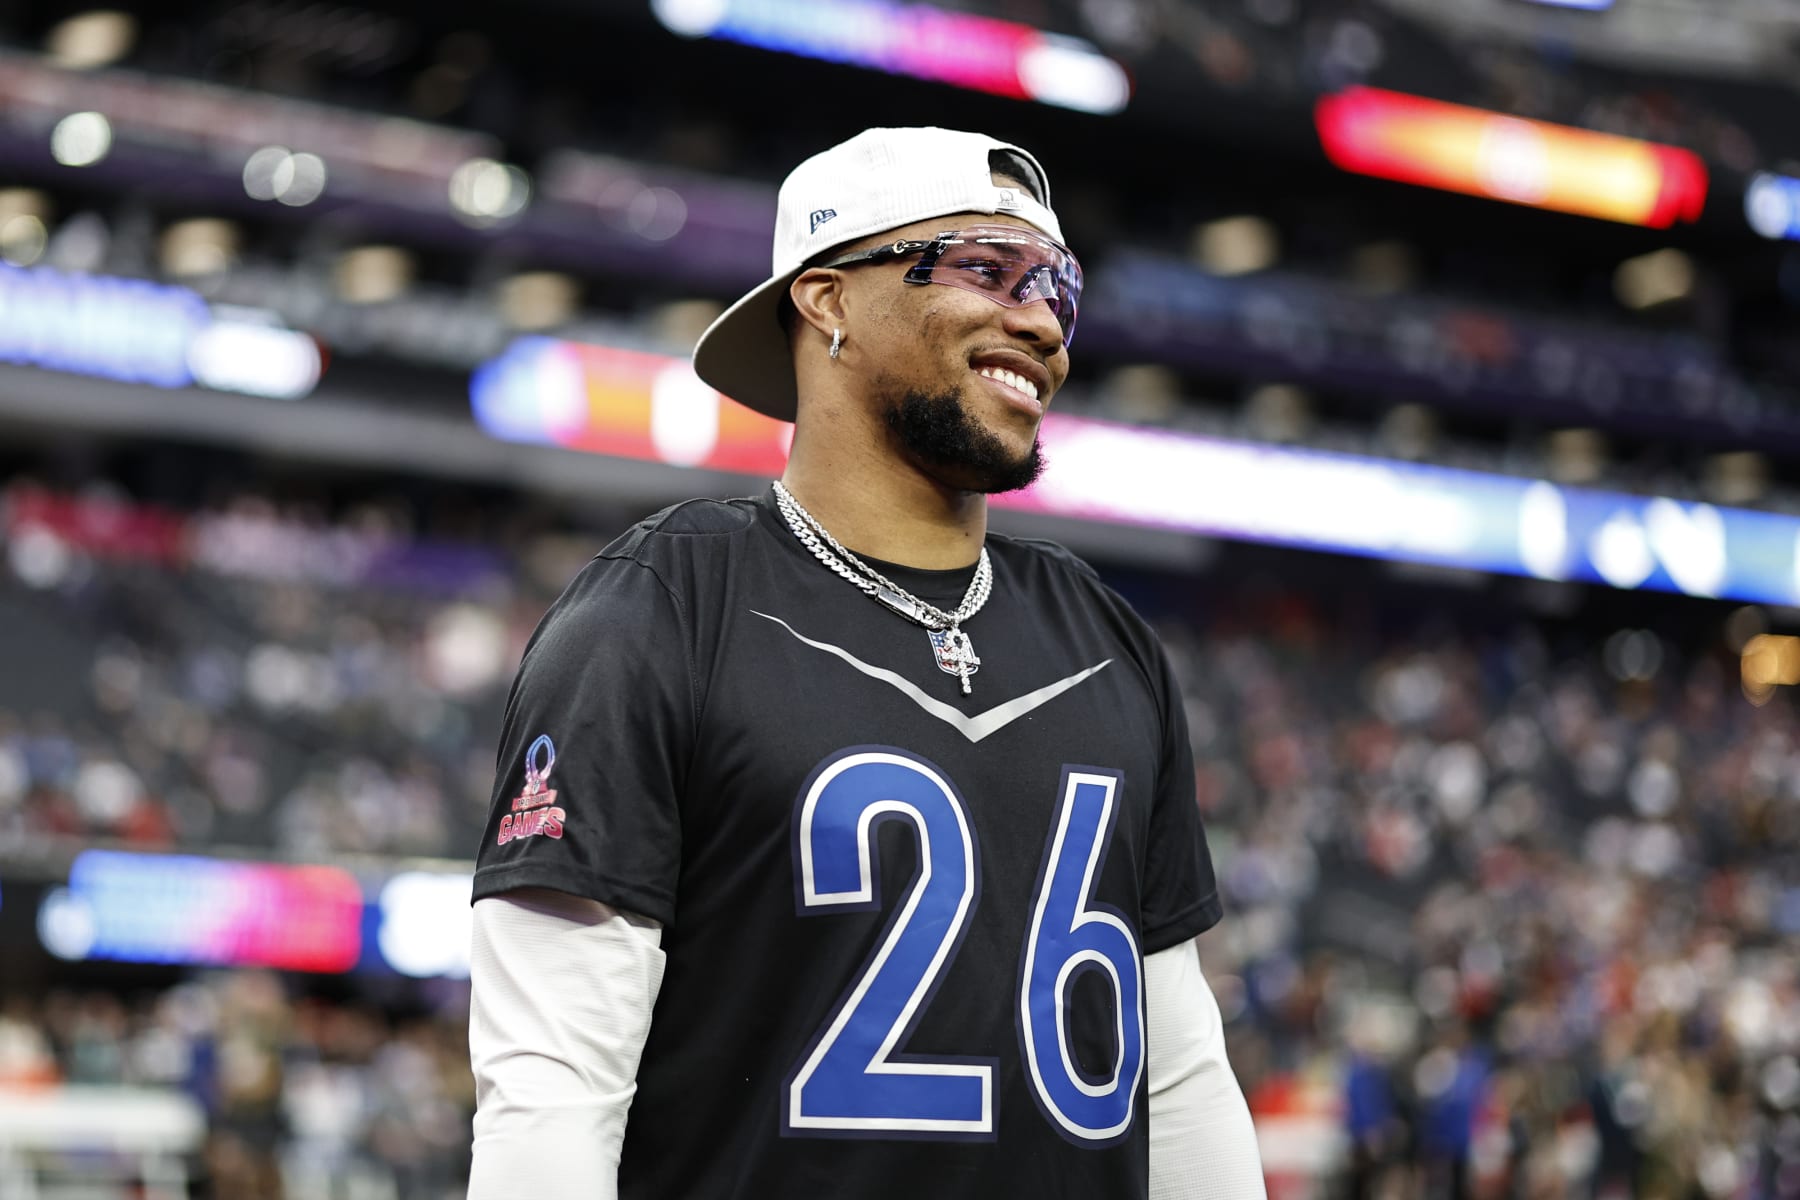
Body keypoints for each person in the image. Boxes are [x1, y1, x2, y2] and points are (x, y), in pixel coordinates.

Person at [465, 126, 1265, 1199]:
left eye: (1058, 289)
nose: (1040, 321)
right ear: (829, 300)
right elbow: (552, 1087)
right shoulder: (664, 607)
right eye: (986, 266)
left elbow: (1180, 1079)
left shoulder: (1103, 636)